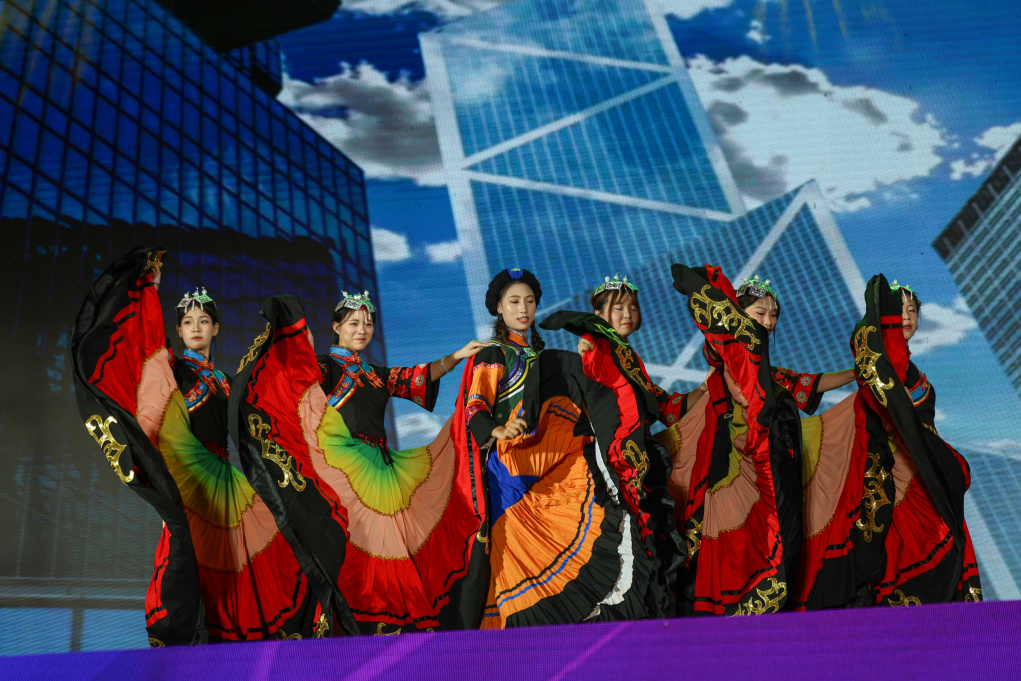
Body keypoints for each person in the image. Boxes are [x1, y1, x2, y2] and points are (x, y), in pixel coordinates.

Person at [70, 247, 321, 645]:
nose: (196, 327)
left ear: (216, 328)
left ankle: (240, 648)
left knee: (272, 552)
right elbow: (145, 344)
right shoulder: (172, 369)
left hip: (227, 483)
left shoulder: (227, 383)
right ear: (180, 329)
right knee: (194, 560)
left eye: (204, 321)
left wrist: (291, 342)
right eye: (188, 322)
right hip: (189, 481)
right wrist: (149, 287)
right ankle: (192, 651)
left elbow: (263, 410)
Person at [230, 291, 491, 634]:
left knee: (392, 550)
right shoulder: (324, 366)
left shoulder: (374, 374)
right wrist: (292, 337)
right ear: (336, 327)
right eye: (353, 323)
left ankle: (392, 625)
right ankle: (352, 626)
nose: (362, 330)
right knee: (357, 552)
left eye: (368, 324)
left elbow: (416, 376)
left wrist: (457, 356)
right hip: (345, 472)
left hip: (383, 472)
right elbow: (294, 380)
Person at [457, 268, 643, 627]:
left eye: (529, 301)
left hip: (547, 455)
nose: (523, 308)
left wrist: (586, 358)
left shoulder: (542, 356)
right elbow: (475, 405)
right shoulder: (494, 354)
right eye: (514, 301)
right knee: (516, 565)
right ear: (499, 308)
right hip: (511, 473)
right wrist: (499, 429)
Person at [662, 266, 853, 615]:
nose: (768, 321)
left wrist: (859, 373)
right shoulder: (733, 357)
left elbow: (809, 383)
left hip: (777, 460)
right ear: (740, 316)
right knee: (755, 541)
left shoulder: (767, 370)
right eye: (759, 312)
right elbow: (737, 380)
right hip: (744, 463)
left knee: (784, 535)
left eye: (773, 314)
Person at [542, 274, 690, 617]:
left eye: (633, 307)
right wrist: (588, 338)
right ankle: (616, 613)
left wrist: (708, 390)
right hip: (616, 457)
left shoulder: (629, 356)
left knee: (651, 531)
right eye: (618, 307)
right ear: (598, 315)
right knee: (630, 533)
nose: (628, 314)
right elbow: (591, 358)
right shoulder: (600, 344)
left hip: (640, 455)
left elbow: (662, 405)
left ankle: (648, 613)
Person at [849, 276, 982, 604]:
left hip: (924, 470)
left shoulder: (912, 369)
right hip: (893, 469)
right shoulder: (879, 361)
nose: (906, 316)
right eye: (898, 309)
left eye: (912, 310)